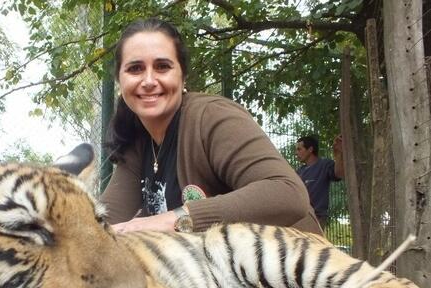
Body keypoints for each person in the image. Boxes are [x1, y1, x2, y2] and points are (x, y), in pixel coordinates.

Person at [100, 17, 322, 235]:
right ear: (120, 80)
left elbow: (288, 194)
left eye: (162, 67)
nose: (148, 81)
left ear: (183, 76)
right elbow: (103, 224)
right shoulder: (136, 139)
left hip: (292, 263)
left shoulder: (212, 116)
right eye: (135, 69)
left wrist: (177, 219)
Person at [295, 134, 344, 230]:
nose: (296, 153)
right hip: (300, 217)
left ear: (310, 149)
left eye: (299, 149)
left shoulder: (325, 165)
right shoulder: (299, 171)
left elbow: (339, 174)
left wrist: (338, 153)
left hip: (317, 217)